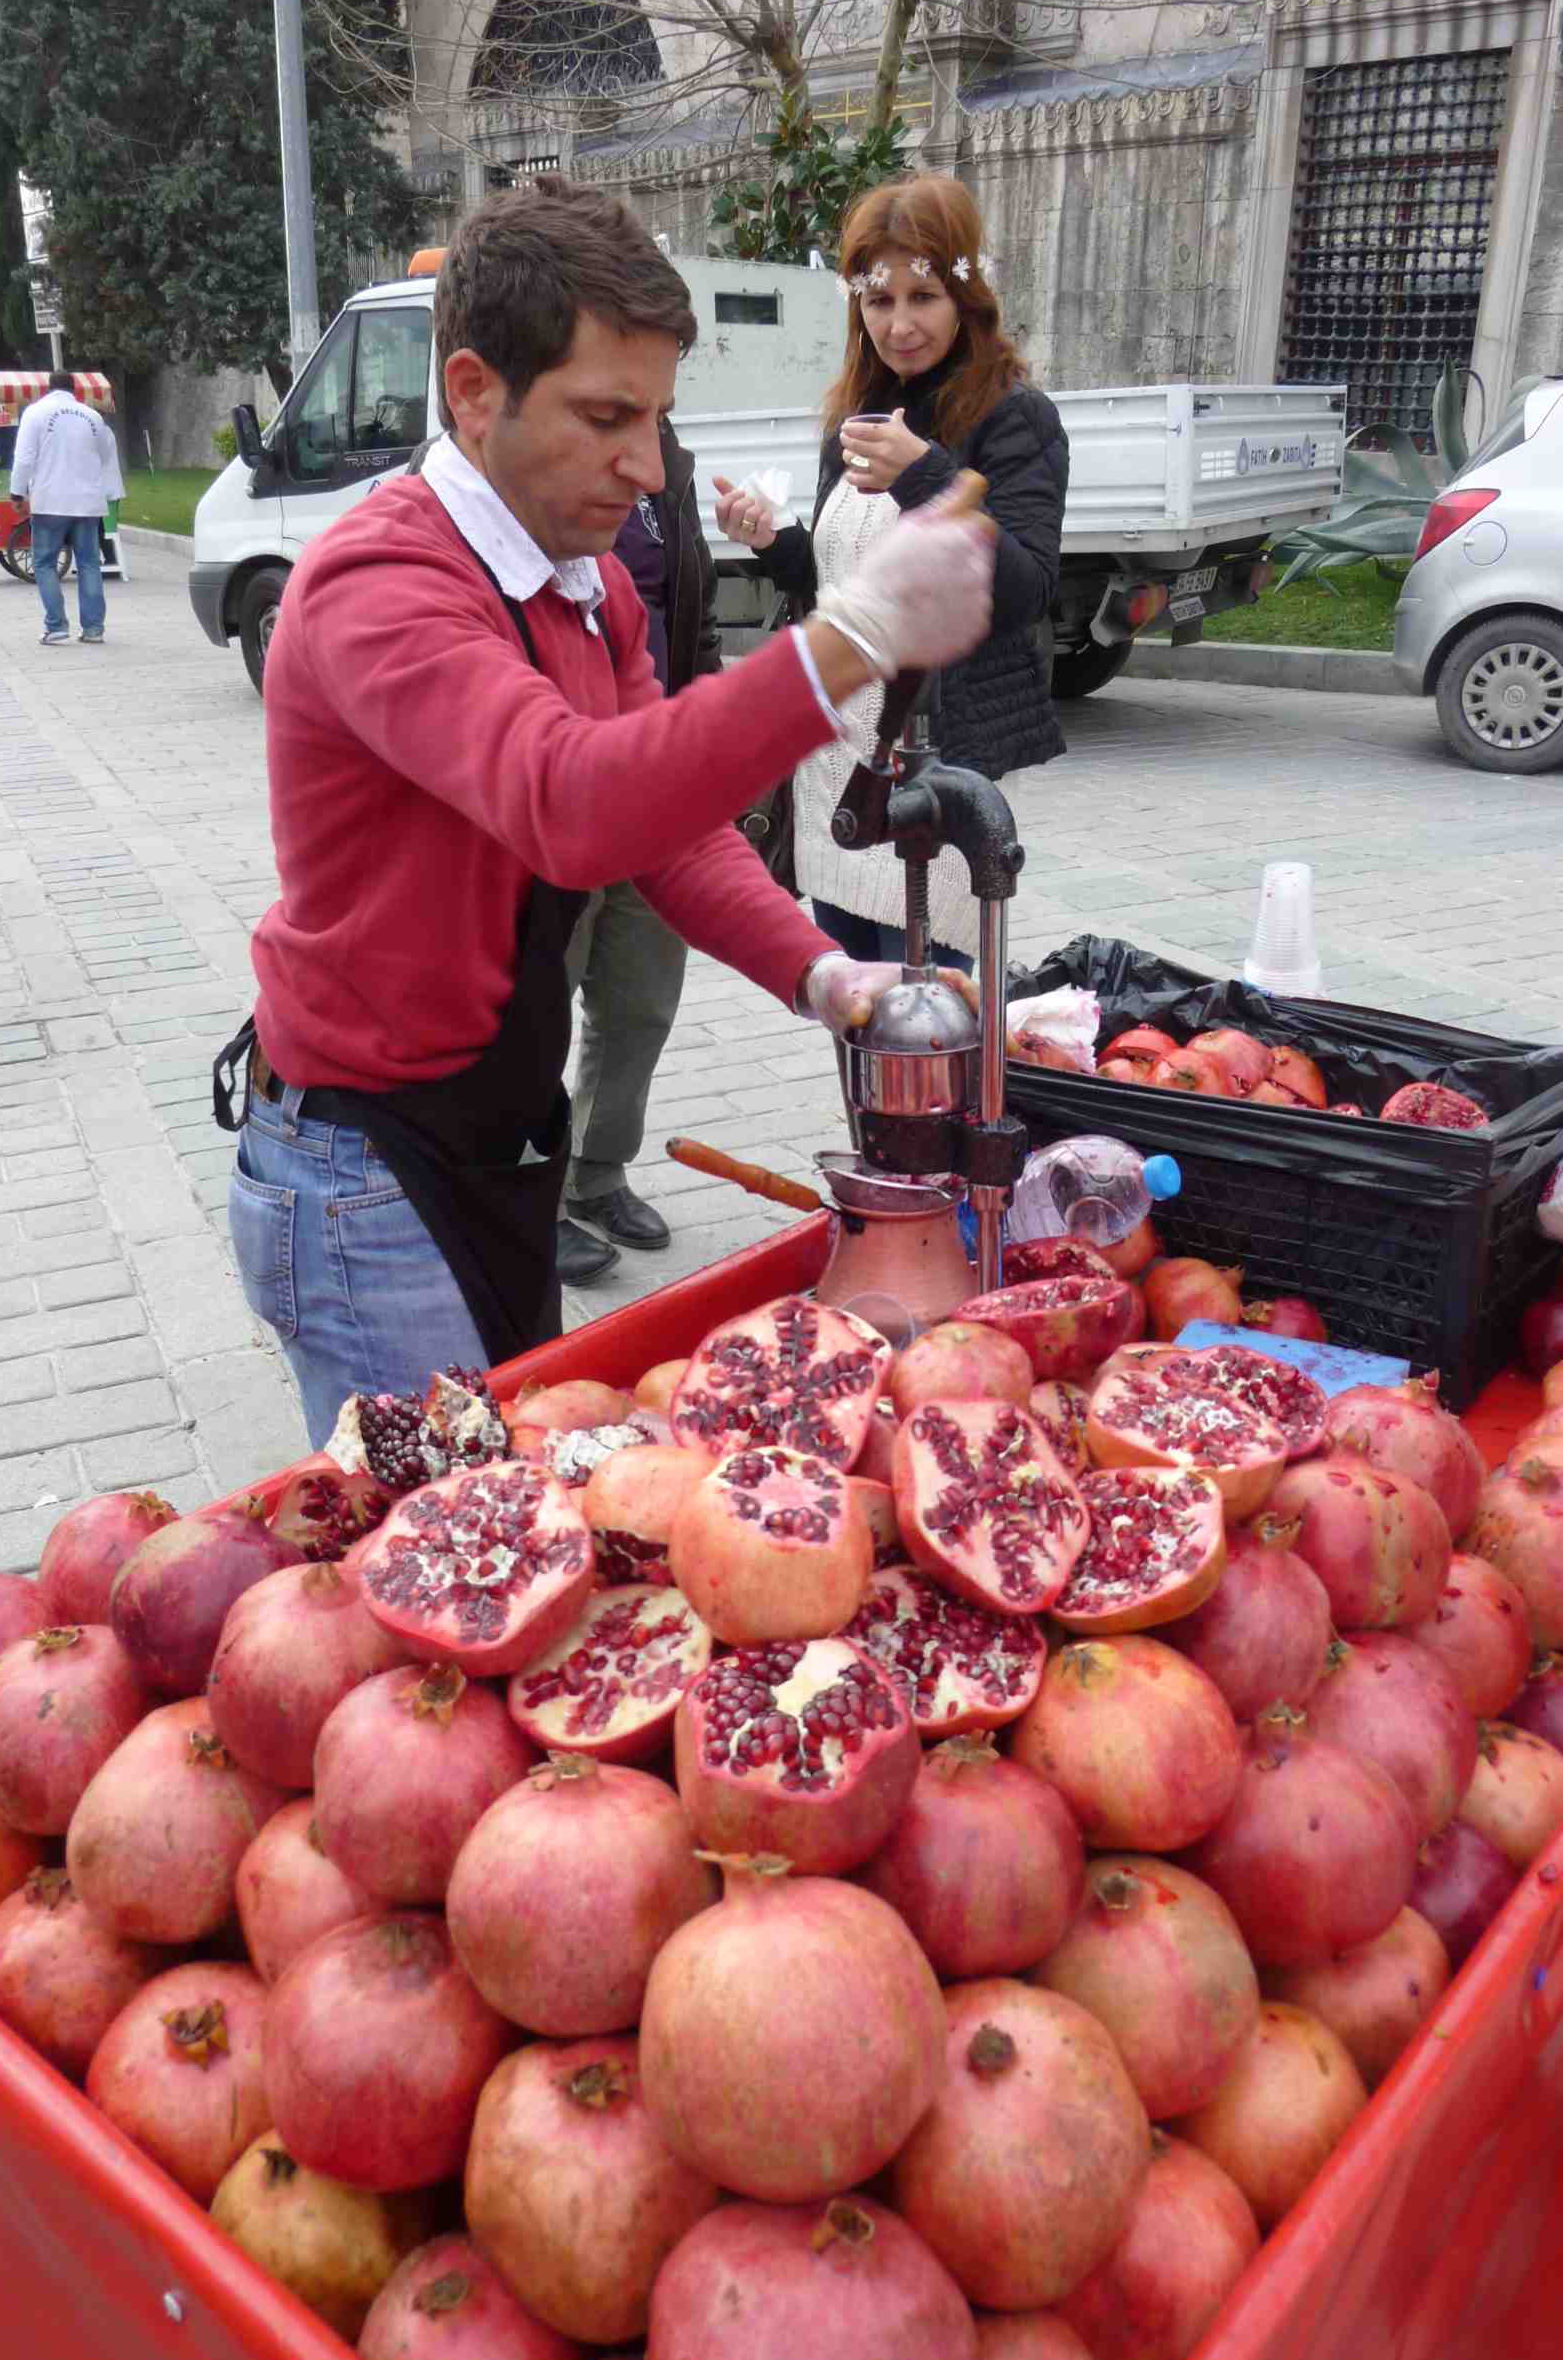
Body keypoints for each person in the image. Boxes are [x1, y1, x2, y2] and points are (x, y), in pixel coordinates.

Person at [215, 180, 994, 1450]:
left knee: (518, 1497)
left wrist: (823, 975)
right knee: (448, 1548)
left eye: (659, 419)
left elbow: (665, 830)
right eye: (605, 417)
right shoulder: (374, 582)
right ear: (474, 393)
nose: (646, 468)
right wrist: (845, 640)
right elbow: (572, 804)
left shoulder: (586, 590)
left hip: (498, 1137)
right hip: (363, 1172)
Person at [715, 172, 1070, 969]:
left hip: (933, 763)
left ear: (965, 296)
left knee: (931, 1006)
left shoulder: (1013, 416)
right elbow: (840, 584)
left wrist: (925, 474)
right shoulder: (852, 417)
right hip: (835, 760)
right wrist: (773, 539)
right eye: (880, 302)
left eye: (924, 296)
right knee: (855, 999)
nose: (901, 324)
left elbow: (1024, 591)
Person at [557, 416, 719, 1287]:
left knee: (641, 1001)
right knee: (538, 1008)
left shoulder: (669, 466)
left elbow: (691, 610)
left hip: (650, 773)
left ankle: (596, 1169)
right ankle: (529, 1195)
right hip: (561, 796)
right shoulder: (509, 477)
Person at [10, 370, 123, 645]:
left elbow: (24, 457)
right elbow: (106, 456)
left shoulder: (35, 413)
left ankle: (57, 625)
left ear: (48, 388)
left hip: (50, 499)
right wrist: (108, 491)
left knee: (45, 563)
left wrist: (17, 492)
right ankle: (94, 627)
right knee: (89, 564)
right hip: (87, 502)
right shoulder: (92, 417)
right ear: (75, 389)